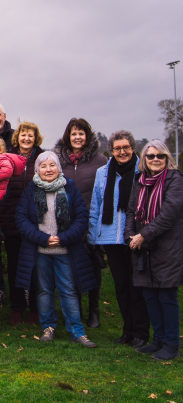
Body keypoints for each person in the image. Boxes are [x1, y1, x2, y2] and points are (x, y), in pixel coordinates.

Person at [15, 151, 99, 348]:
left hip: (65, 251)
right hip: (41, 252)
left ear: (58, 168)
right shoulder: (30, 190)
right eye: (43, 166)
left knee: (68, 291)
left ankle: (77, 332)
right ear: (37, 169)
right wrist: (44, 239)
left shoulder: (70, 188)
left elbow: (81, 218)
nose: (48, 169)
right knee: (43, 291)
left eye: (52, 165)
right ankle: (48, 327)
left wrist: (62, 238)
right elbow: (21, 219)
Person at [88, 130, 150, 347]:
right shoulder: (103, 173)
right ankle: (127, 330)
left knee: (137, 287)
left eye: (126, 147)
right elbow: (96, 204)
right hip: (110, 237)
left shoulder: (143, 170)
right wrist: (93, 237)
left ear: (132, 148)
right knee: (122, 286)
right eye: (117, 148)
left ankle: (141, 331)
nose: (122, 151)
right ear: (111, 150)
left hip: (135, 236)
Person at [125, 141, 183, 361]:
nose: (156, 159)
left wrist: (143, 236)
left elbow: (169, 214)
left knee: (166, 295)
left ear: (167, 158)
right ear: (144, 160)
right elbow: (131, 211)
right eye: (151, 156)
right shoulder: (140, 181)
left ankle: (171, 343)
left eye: (160, 156)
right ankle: (157, 340)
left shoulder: (175, 180)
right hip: (142, 248)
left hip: (167, 247)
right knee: (150, 295)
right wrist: (130, 236)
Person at [53, 117, 107, 328]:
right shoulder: (60, 160)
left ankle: (94, 310)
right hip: (67, 221)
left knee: (93, 266)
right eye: (74, 133)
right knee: (71, 267)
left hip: (92, 221)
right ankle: (76, 308)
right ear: (68, 136)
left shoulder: (100, 160)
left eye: (81, 133)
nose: (77, 137)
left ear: (87, 136)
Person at [0, 122, 45, 325]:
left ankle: (35, 308)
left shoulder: (42, 158)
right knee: (15, 266)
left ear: (36, 138)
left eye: (30, 135)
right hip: (12, 220)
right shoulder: (8, 158)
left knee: (36, 268)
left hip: (37, 223)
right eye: (23, 135)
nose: (26, 138)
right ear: (17, 137)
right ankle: (17, 307)